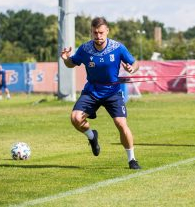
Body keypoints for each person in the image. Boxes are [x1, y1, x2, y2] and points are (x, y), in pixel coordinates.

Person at [60, 17, 142, 169]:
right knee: (75, 118)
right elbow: (72, 63)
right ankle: (92, 136)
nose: (98, 36)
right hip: (92, 91)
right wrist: (65, 59)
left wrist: (132, 68)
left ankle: (132, 159)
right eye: (95, 33)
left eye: (101, 33)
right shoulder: (85, 49)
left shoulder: (118, 48)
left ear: (107, 31)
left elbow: (135, 63)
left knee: (121, 123)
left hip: (113, 92)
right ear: (91, 32)